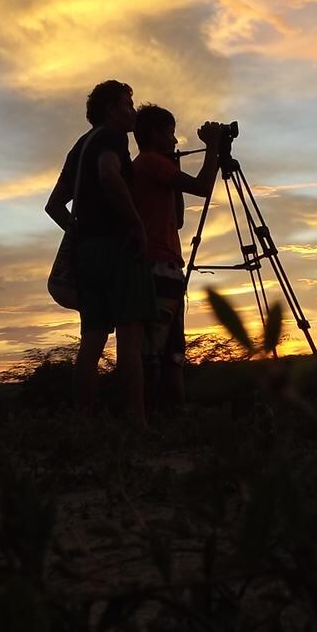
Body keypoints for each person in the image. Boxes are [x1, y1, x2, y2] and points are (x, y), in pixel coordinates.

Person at [45, 80, 154, 424]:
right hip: (118, 249)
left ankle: (85, 421)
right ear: (110, 110)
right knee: (130, 338)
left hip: (87, 254)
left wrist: (80, 233)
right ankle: (136, 422)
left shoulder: (80, 147)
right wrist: (135, 224)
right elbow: (109, 174)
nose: (132, 112)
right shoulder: (112, 138)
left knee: (92, 341)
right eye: (127, 104)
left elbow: (54, 206)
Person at [130, 104, 222, 413]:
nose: (174, 139)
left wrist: (174, 176)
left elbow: (179, 219)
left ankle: (171, 413)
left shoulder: (153, 165)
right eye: (169, 132)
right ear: (154, 135)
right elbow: (204, 187)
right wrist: (213, 148)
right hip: (158, 265)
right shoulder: (150, 162)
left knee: (172, 350)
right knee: (158, 350)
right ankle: (156, 414)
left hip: (162, 264)